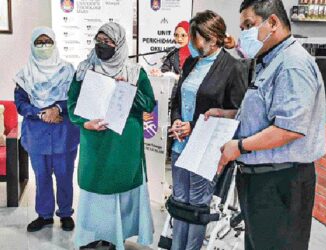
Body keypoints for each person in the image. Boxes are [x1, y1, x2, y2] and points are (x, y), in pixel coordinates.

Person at [205, 0, 326, 249]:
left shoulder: (292, 64)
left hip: (281, 182)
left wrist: (238, 146)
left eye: (249, 25)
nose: (244, 34)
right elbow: (263, 113)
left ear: (272, 22)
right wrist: (227, 114)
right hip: (260, 180)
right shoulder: (270, 60)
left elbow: (289, 128)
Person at [67, 22, 156, 250]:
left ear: (120, 44)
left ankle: (116, 236)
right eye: (99, 40)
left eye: (108, 42)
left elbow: (148, 103)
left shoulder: (134, 71)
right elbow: (72, 105)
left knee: (120, 190)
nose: (102, 45)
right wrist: (84, 123)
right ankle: (93, 236)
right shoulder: (85, 69)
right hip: (95, 141)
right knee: (95, 190)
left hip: (124, 143)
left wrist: (129, 88)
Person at [168, 10, 247, 250]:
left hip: (206, 150)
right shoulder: (191, 62)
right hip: (180, 144)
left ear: (212, 39)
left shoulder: (232, 68)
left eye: (194, 37)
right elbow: (178, 99)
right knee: (179, 202)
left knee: (197, 206)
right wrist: (177, 121)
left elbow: (237, 112)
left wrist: (195, 126)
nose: (190, 42)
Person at [14, 27, 79, 232]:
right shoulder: (24, 75)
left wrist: (56, 108)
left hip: (63, 133)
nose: (44, 46)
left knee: (64, 175)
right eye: (39, 42)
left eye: (47, 41)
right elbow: (21, 103)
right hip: (37, 134)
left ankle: (66, 213)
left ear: (55, 43)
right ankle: (44, 215)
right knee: (41, 177)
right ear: (32, 46)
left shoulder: (68, 71)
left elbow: (75, 98)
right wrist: (41, 113)